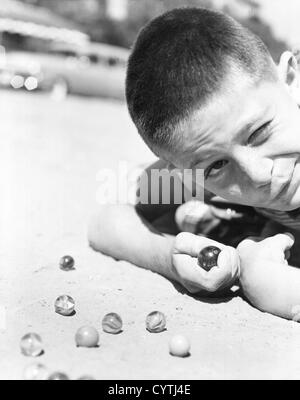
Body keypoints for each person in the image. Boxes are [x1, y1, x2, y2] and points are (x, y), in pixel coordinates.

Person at [88, 8, 300, 320]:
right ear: (183, 173)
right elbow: (104, 223)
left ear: (292, 79)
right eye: (217, 166)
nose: (257, 174)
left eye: (258, 132)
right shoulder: (191, 174)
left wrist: (262, 281)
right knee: (194, 215)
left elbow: (271, 285)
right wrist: (171, 258)